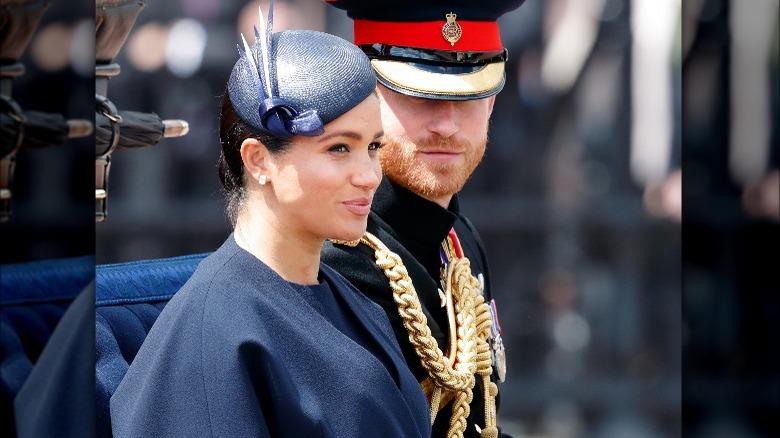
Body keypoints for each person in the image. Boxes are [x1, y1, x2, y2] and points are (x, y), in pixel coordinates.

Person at [109, 3, 430, 437]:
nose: (369, 175)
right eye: (339, 148)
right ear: (259, 160)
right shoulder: (216, 333)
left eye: (373, 147)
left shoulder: (347, 299)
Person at [321, 1, 527, 437]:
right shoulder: (332, 257)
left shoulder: (458, 240)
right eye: (421, 95)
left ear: (491, 102)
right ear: (365, 97)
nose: (446, 125)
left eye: (468, 95)